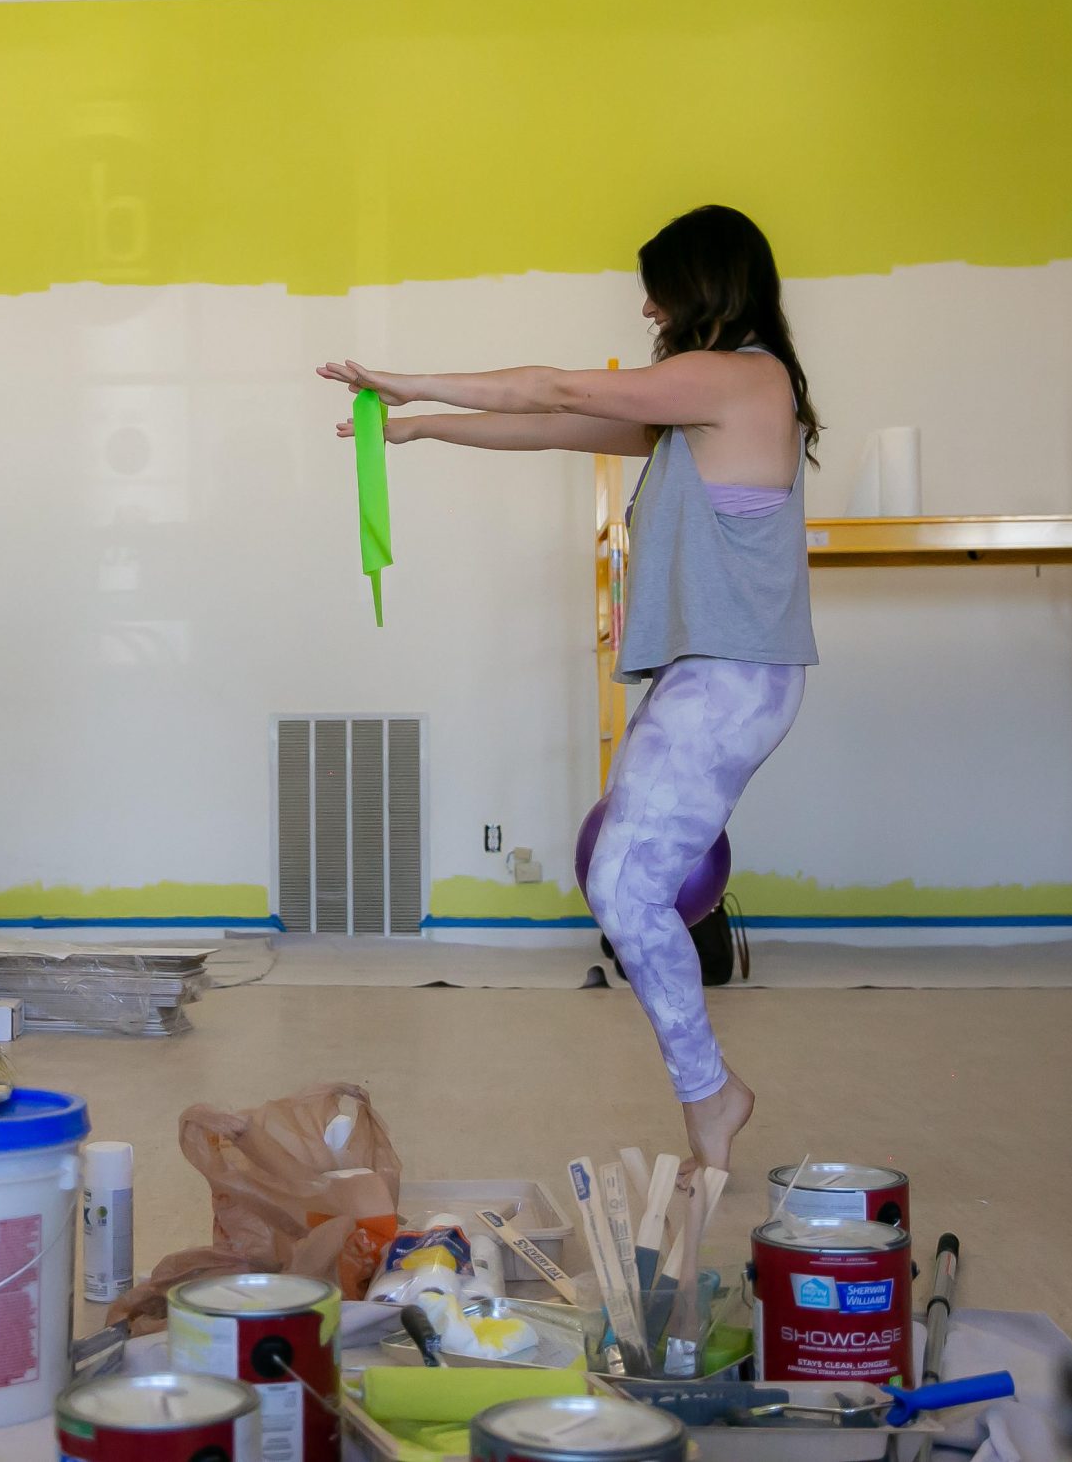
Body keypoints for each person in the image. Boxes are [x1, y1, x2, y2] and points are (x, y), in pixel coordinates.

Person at [318, 204, 819, 1182]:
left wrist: (400, 373)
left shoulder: (738, 377)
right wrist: (418, 428)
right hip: (709, 676)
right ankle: (708, 1090)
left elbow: (551, 382)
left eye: (657, 290)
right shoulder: (703, 407)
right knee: (626, 881)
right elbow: (555, 423)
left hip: (731, 678)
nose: (645, 306)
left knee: (626, 885)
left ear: (700, 286)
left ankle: (711, 1089)